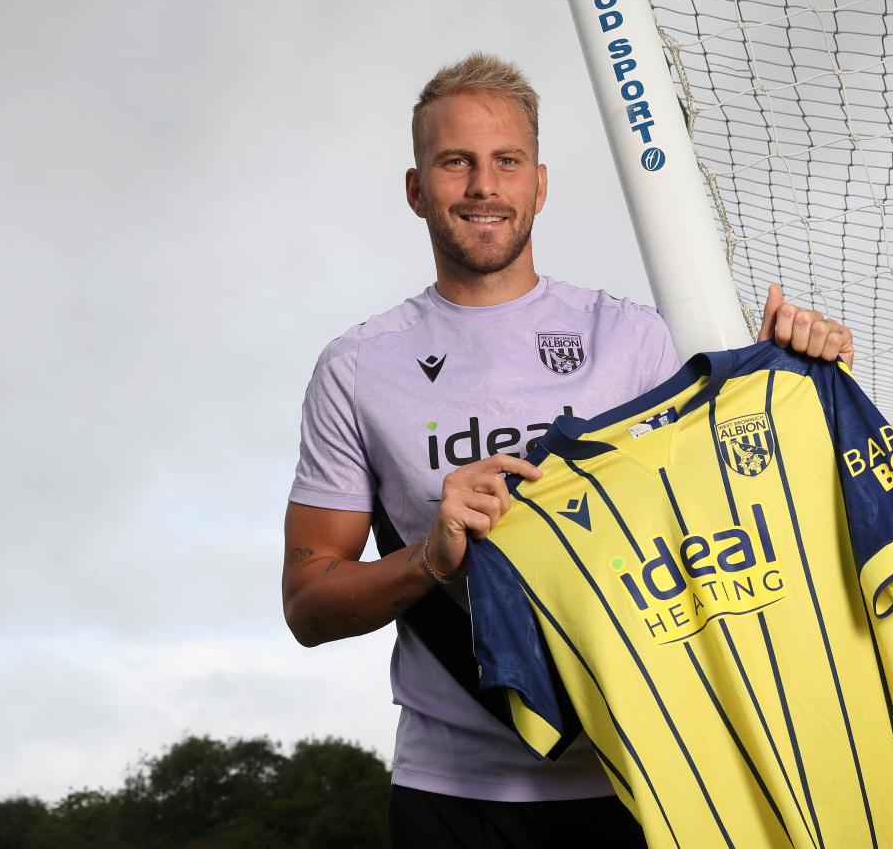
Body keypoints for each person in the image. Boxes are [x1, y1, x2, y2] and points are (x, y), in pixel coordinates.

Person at [282, 53, 855, 848]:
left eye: (506, 162)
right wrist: (431, 559)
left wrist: (796, 381)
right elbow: (308, 604)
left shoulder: (634, 339)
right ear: (418, 190)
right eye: (456, 162)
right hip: (457, 794)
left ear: (539, 184)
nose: (484, 186)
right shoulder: (358, 368)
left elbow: (741, 512)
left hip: (649, 767)